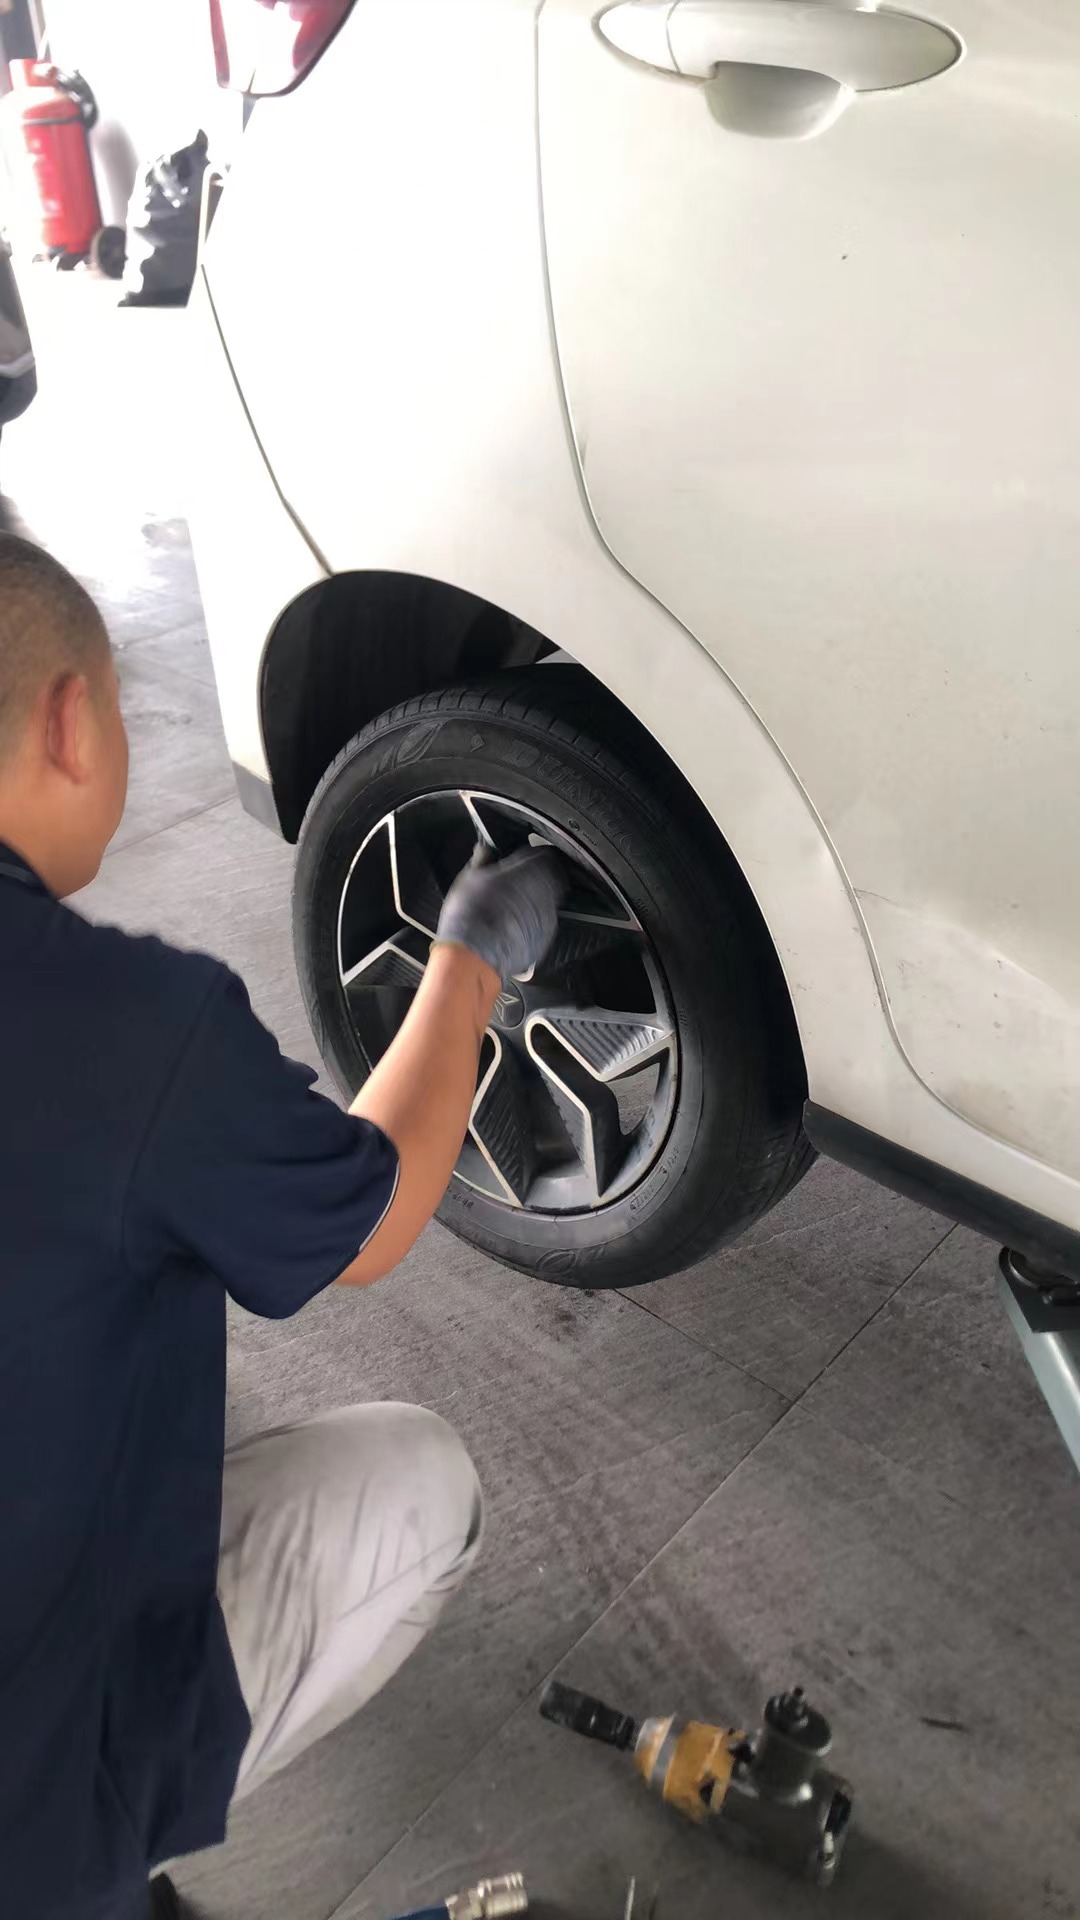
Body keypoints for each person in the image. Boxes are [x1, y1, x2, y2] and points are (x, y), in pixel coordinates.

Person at [0, 534, 564, 1920]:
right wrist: (468, 965)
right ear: (71, 722)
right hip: (28, 1837)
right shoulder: (125, 1030)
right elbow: (369, 1220)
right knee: (422, 1484)